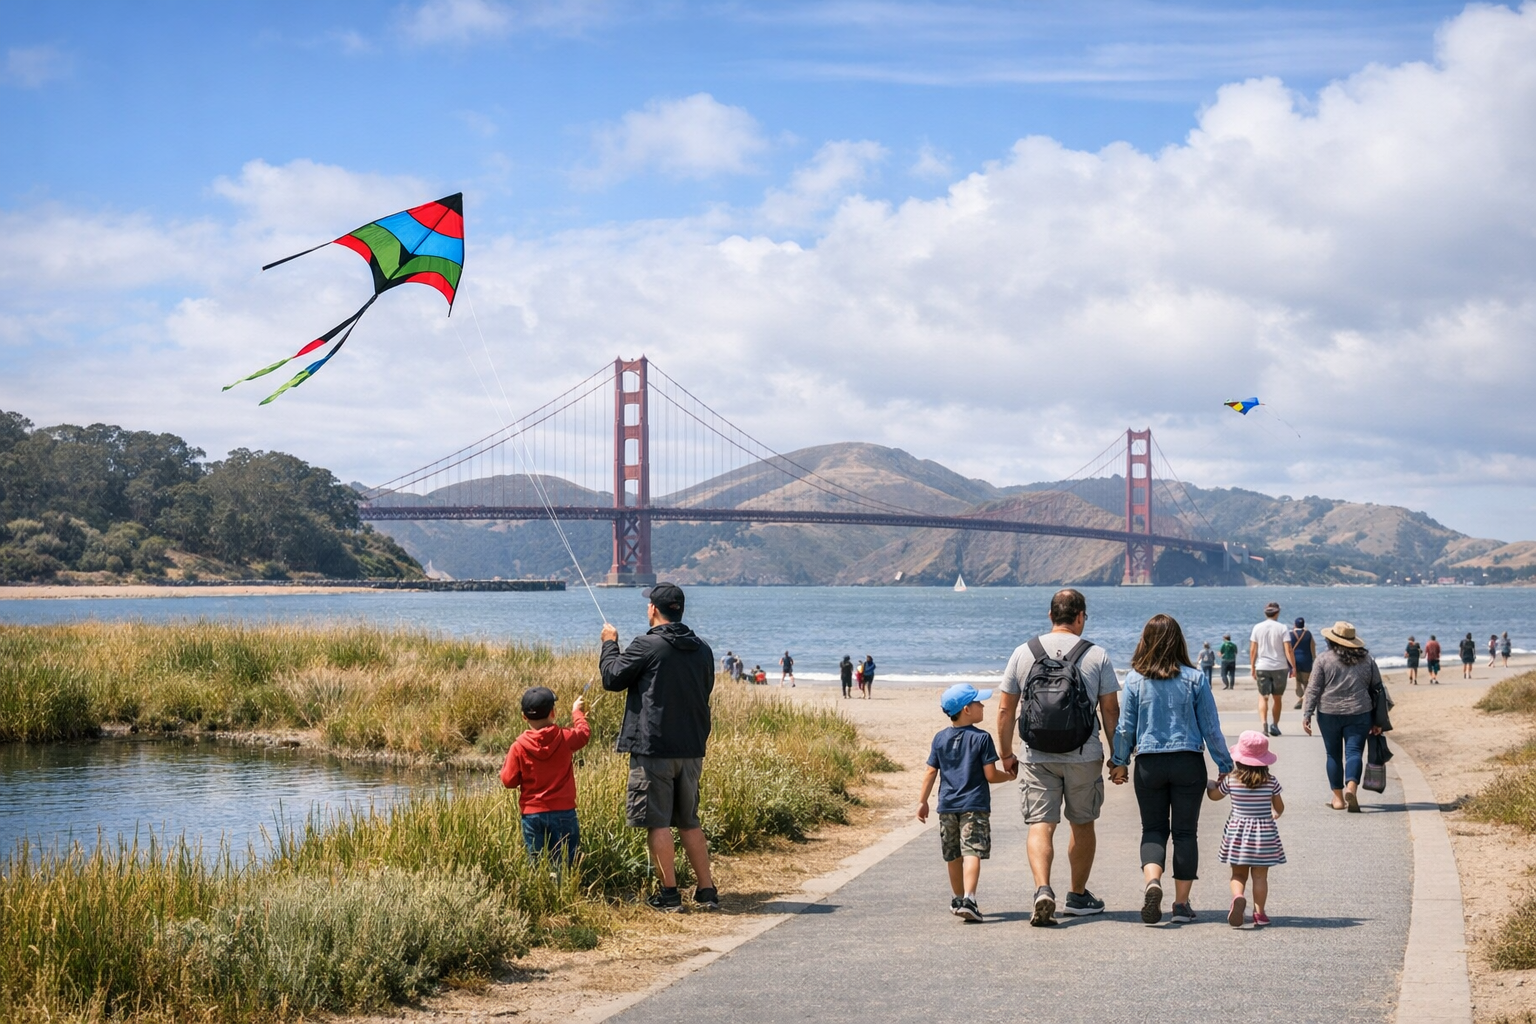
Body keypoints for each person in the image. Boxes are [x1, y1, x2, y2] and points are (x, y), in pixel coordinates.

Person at [997, 588, 1121, 927]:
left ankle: (1042, 889)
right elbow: (1110, 710)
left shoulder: (1024, 652)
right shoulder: (1097, 655)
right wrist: (1117, 757)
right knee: (1082, 823)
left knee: (1041, 824)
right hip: (1084, 754)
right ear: (1080, 617)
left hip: (1037, 754)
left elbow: (1006, 709)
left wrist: (1006, 753)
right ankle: (1078, 895)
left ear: (1051, 616)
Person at [600, 582, 721, 912]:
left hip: (654, 749)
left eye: (648, 605)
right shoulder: (703, 649)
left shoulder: (647, 645)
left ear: (653, 609)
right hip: (692, 747)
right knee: (689, 821)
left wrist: (610, 644)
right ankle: (706, 891)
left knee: (658, 822)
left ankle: (669, 895)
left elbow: (612, 678)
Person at [1109, 614, 1233, 926]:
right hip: (1187, 762)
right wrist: (1225, 766)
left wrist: (1120, 763)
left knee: (1152, 829)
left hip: (1149, 763)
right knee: (1185, 832)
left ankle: (1152, 882)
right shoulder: (1195, 678)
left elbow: (1125, 729)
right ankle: (1180, 904)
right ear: (1178, 641)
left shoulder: (1136, 679)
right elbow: (1211, 727)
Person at [916, 684, 1017, 922]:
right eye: (978, 703)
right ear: (966, 710)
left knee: (952, 854)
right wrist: (1009, 776)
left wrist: (922, 802)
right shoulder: (981, 738)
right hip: (974, 804)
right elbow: (991, 775)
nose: (982, 706)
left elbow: (931, 772)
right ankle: (970, 899)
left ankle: (958, 897)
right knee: (972, 850)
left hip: (947, 805)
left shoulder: (940, 738)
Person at [500, 687, 591, 865]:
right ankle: (565, 889)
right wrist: (577, 713)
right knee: (567, 863)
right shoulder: (565, 737)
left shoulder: (518, 747)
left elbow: (508, 781)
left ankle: (543, 890)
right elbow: (584, 734)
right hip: (564, 812)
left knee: (538, 864)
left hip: (532, 815)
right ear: (553, 713)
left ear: (524, 717)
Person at [1301, 621, 1386, 813]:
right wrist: (1378, 720)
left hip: (1329, 713)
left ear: (1331, 639)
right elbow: (1377, 687)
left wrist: (1307, 713)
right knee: (1354, 752)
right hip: (1360, 711)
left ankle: (1338, 799)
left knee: (1333, 755)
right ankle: (1351, 789)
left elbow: (1313, 688)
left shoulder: (1323, 659)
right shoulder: (1367, 660)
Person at [1207, 730, 1285, 928]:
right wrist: (1274, 813)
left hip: (1238, 834)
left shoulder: (1232, 780)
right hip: (1264, 834)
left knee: (1238, 874)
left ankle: (1238, 897)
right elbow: (1280, 808)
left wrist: (1209, 785)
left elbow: (1215, 797)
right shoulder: (1271, 781)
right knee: (1260, 876)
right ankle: (1260, 913)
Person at [1250, 602, 1294, 736]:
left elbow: (1253, 650)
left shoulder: (1257, 627)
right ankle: (1274, 725)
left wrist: (1252, 666)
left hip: (1262, 666)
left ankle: (1264, 724)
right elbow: (1288, 649)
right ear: (1278, 612)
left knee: (1263, 697)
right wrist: (1293, 666)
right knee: (1277, 698)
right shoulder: (1282, 628)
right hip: (1280, 667)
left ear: (1265, 613)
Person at [1286, 617, 1316, 711]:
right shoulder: (1308, 634)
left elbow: (1288, 649)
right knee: (1307, 683)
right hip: (1306, 660)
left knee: (1298, 682)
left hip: (1295, 661)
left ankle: (1300, 699)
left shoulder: (1290, 634)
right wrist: (1314, 658)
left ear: (1295, 624)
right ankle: (1304, 700)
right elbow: (1313, 647)